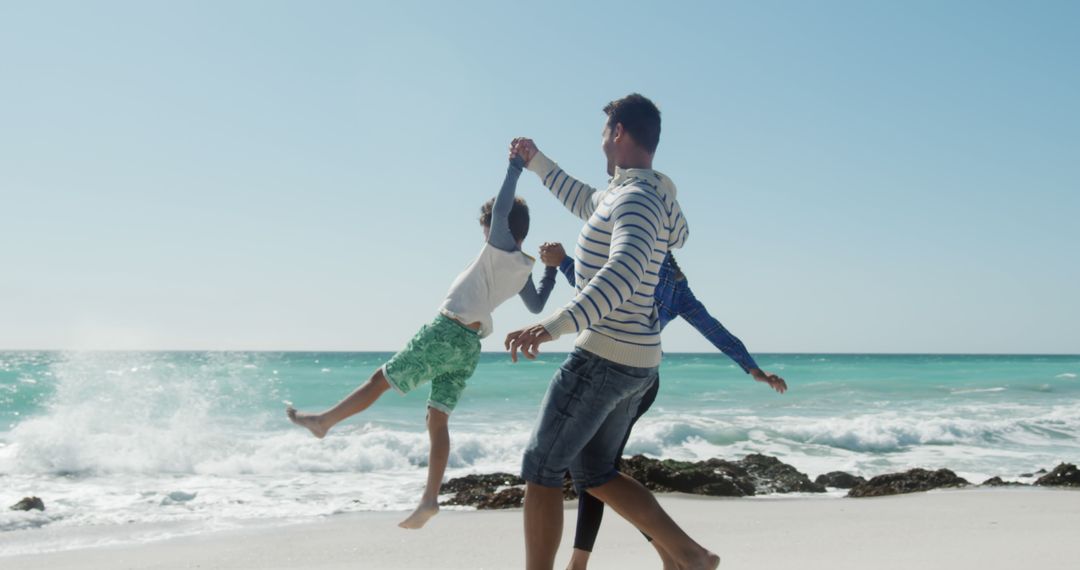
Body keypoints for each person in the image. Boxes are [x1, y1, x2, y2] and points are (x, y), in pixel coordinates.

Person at [504, 93, 720, 570]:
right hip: (635, 363)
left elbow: (621, 274)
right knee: (594, 471)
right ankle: (690, 556)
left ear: (618, 133)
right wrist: (535, 161)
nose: (601, 141)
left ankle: (690, 558)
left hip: (602, 357)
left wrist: (554, 323)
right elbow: (584, 198)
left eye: (604, 133)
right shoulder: (638, 194)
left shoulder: (639, 199)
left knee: (541, 469)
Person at [287, 155, 558, 530]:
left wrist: (514, 167)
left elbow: (500, 215)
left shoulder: (497, 245)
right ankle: (430, 498)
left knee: (379, 380)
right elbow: (538, 304)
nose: (485, 234)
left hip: (447, 332)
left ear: (498, 227)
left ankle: (323, 421)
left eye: (488, 227)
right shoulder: (524, 269)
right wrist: (552, 270)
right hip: (470, 346)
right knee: (438, 419)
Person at [539, 242, 787, 568]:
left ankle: (596, 562)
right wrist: (753, 368)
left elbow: (597, 290)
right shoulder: (678, 288)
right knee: (600, 473)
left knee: (593, 472)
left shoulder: (634, 270)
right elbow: (713, 328)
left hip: (611, 374)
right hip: (645, 382)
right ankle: (652, 556)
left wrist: (562, 263)